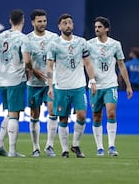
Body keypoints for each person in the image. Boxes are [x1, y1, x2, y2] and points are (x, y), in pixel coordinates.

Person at [46, 13, 96, 158]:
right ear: (59, 26)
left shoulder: (81, 42)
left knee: (81, 115)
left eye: (70, 23)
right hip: (61, 87)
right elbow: (49, 67)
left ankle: (75, 145)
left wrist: (92, 80)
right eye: (64, 23)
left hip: (79, 86)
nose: (68, 25)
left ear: (73, 25)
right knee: (63, 118)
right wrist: (50, 86)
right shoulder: (54, 44)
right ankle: (64, 150)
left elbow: (87, 63)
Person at [88, 16, 133, 156]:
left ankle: (111, 146)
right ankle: (99, 148)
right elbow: (86, 63)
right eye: (95, 27)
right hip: (95, 86)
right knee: (96, 116)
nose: (96, 29)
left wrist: (128, 85)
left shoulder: (115, 44)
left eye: (99, 27)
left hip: (110, 84)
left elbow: (121, 65)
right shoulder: (89, 44)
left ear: (106, 29)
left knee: (111, 113)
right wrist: (92, 80)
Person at [0, 9, 32, 157]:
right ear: (23, 21)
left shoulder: (1, 36)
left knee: (10, 112)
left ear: (10, 21)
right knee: (14, 115)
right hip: (16, 78)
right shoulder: (23, 38)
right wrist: (29, 70)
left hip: (2, 79)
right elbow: (27, 60)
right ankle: (12, 150)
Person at [26, 9, 59, 157]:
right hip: (33, 83)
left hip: (51, 83)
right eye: (39, 21)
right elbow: (24, 61)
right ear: (33, 22)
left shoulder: (54, 37)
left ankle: (49, 146)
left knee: (53, 112)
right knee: (34, 114)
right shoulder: (27, 39)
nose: (42, 24)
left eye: (44, 21)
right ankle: (35, 147)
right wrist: (34, 71)